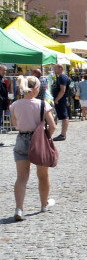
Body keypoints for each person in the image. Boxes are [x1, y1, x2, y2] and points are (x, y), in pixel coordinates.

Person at [9, 75, 56, 220]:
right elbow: (53, 126)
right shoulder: (43, 104)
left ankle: (19, 209)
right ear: (36, 89)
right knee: (43, 175)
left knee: (21, 177)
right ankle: (43, 204)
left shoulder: (15, 105)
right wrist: (46, 136)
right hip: (39, 140)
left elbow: (15, 124)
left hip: (21, 139)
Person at [50, 64, 71, 141]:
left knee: (64, 116)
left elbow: (63, 90)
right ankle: (63, 134)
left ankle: (63, 134)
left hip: (61, 100)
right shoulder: (62, 77)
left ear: (60, 68)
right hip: (62, 99)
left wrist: (57, 99)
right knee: (63, 116)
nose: (54, 70)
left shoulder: (62, 77)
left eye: (55, 68)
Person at [0, 64, 9, 144]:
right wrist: (2, 99)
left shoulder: (2, 79)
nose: (5, 72)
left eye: (5, 70)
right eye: (3, 70)